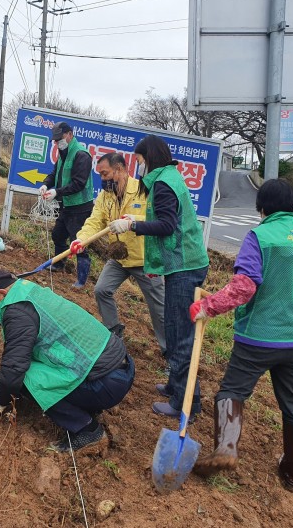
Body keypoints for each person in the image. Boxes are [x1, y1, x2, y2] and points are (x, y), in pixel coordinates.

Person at [189, 179, 293, 491]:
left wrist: (208, 307)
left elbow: (244, 286)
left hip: (257, 337)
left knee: (232, 392)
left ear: (262, 208)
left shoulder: (259, 236)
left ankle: (226, 450)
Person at [0, 269, 135, 453]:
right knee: (26, 369)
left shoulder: (16, 310)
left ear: (1, 294)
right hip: (120, 367)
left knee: (25, 377)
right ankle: (87, 405)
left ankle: (88, 430)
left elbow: (13, 369)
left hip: (107, 382)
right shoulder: (30, 291)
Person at [109, 134, 209, 422]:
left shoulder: (163, 183)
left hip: (185, 267)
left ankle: (184, 403)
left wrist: (132, 225)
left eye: (139, 161)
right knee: (176, 329)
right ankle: (180, 388)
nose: (138, 167)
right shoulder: (169, 178)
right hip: (183, 263)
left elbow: (166, 225)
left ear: (149, 158)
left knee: (179, 335)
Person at [70, 152, 167, 356]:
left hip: (145, 258)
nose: (103, 179)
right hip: (119, 258)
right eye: (100, 175)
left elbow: (158, 218)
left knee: (159, 309)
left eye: (105, 174)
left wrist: (133, 222)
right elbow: (94, 221)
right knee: (101, 290)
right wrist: (81, 239)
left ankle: (170, 353)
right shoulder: (106, 196)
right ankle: (114, 335)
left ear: (120, 169)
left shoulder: (143, 190)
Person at [39, 121, 94, 288]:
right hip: (67, 205)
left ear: (69, 134)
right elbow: (54, 173)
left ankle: (82, 279)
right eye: (55, 141)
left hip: (80, 206)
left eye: (59, 139)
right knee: (58, 234)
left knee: (79, 242)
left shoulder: (81, 155)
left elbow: (79, 183)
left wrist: (57, 192)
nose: (57, 143)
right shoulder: (63, 153)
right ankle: (59, 264)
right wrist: (46, 184)